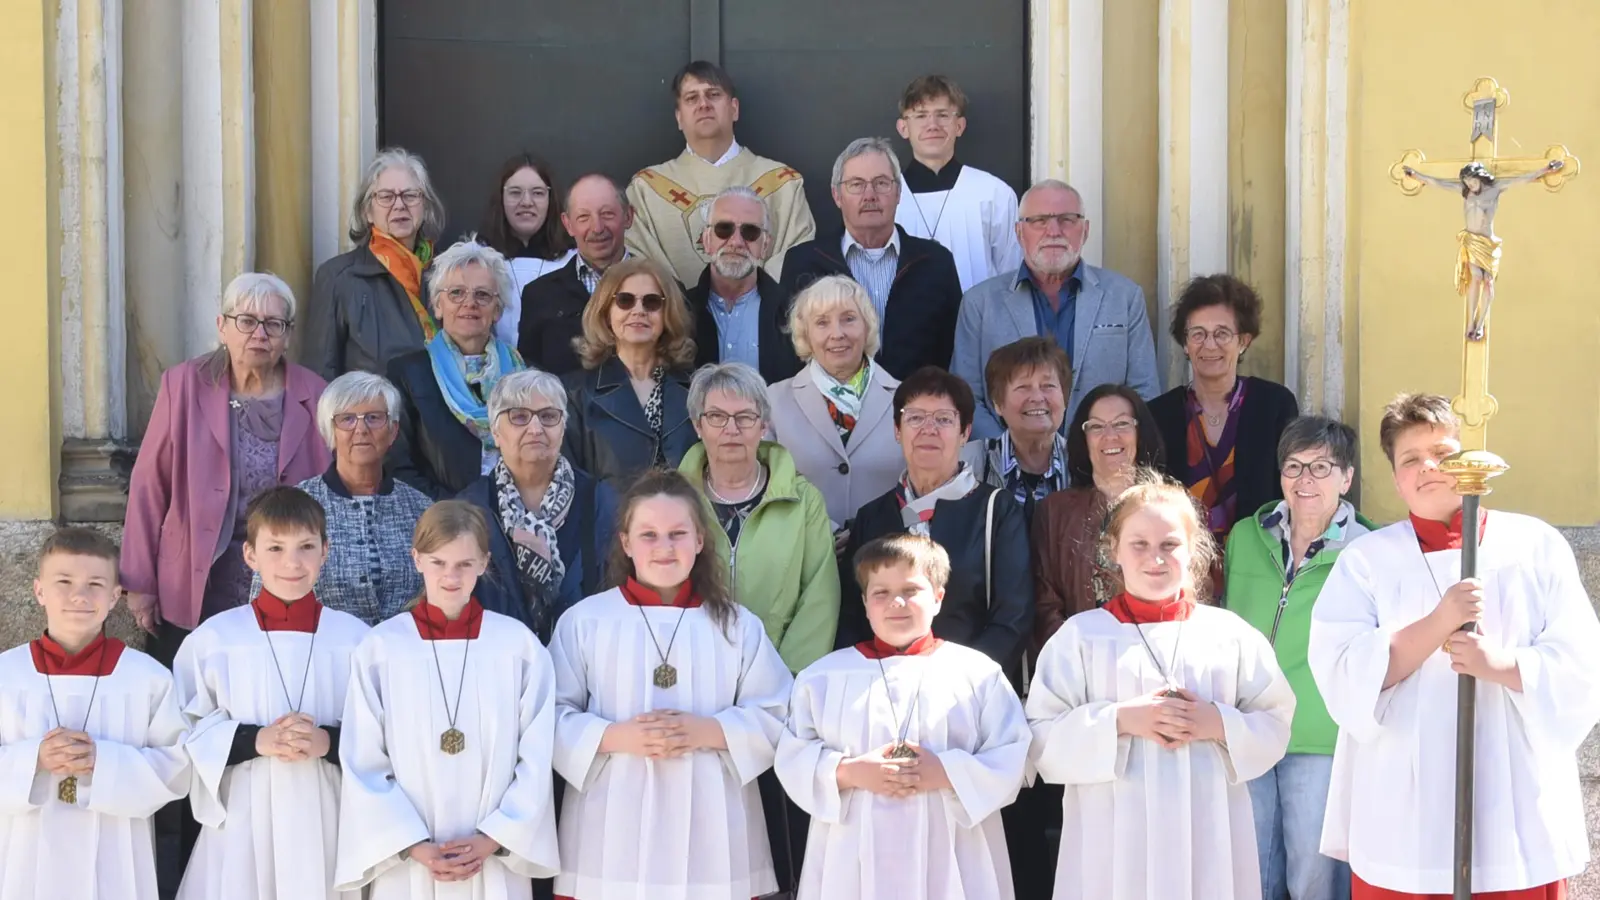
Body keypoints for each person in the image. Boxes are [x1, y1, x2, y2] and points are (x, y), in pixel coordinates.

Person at [1308, 393, 1600, 900]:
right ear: (1395, 477)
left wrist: (1505, 665)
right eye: (1410, 459)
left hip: (1511, 801)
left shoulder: (1534, 545)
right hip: (1404, 804)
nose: (1428, 468)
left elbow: (1582, 662)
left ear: (1471, 461)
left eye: (1443, 454)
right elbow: (1341, 670)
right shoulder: (1367, 560)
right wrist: (1439, 622)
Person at [1027, 475, 1295, 900]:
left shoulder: (1230, 635)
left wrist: (1217, 723)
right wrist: (1121, 720)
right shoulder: (1080, 638)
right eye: (1140, 544)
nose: (1156, 558)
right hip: (1114, 835)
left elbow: (1277, 722)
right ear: (1113, 550)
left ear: (1193, 551)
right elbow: (1039, 738)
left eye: (1170, 544)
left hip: (1207, 828)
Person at [548, 469, 793, 900]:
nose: (664, 548)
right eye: (649, 535)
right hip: (612, 822)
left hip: (714, 822)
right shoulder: (585, 622)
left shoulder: (736, 626)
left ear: (700, 540)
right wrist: (615, 736)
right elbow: (547, 716)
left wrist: (707, 731)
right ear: (625, 542)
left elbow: (779, 713)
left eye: (678, 533)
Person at [776, 533, 1030, 899]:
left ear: (939, 598)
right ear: (864, 603)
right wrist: (850, 771)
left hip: (952, 847)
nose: (896, 602)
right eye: (880, 593)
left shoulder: (977, 674)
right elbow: (793, 755)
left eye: (911, 590)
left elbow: (1012, 754)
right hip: (852, 851)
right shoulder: (823, 677)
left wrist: (944, 772)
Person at [336, 501, 561, 898]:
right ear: (416, 559)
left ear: (484, 562)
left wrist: (495, 836)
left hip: (492, 860)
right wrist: (411, 844)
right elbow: (362, 759)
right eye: (438, 562)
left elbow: (538, 754)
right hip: (411, 865)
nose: (451, 576)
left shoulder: (517, 646)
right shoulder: (382, 649)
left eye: (464, 564)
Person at [680, 362, 840, 895]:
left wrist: (782, 688)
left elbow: (819, 595)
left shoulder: (803, 500)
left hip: (780, 698)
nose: (732, 430)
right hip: (696, 695)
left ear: (764, 426)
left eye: (745, 417)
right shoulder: (671, 501)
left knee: (776, 837)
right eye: (718, 417)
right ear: (697, 425)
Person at [122, 272, 332, 666]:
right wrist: (139, 582)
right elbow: (149, 484)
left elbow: (329, 498)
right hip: (196, 575)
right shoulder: (182, 385)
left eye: (274, 324)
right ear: (222, 327)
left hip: (284, 575)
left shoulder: (316, 394)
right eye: (247, 321)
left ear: (288, 336)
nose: (260, 333)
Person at [174, 487, 370, 900]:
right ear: (250, 555)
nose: (292, 563)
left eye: (305, 547)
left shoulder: (358, 641)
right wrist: (253, 740)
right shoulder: (215, 640)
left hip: (328, 815)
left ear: (325, 551)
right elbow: (182, 734)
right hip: (244, 817)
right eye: (275, 548)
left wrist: (329, 742)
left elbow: (383, 736)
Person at [1224, 416, 1374, 900]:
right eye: (1293, 466)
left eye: (1321, 467)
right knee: (1251, 872)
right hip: (1246, 726)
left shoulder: (1369, 550)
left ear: (1347, 478)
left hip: (1319, 734)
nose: (1305, 480)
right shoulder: (1246, 536)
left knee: (1313, 877)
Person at [0, 528, 188, 900]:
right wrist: (33, 759)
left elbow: (177, 767)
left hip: (117, 850)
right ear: (39, 591)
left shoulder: (147, 677)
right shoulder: (6, 674)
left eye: (95, 584)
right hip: (24, 852)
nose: (79, 596)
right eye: (64, 581)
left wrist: (105, 762)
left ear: (115, 596)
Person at [835, 367, 1033, 680]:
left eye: (943, 419)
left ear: (965, 432)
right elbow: (852, 617)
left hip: (970, 691)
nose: (929, 429)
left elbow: (1013, 617)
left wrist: (959, 682)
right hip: (883, 688)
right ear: (897, 430)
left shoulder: (997, 509)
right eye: (915, 417)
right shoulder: (872, 516)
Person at [952, 179, 1161, 438]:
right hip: (1006, 471)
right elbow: (966, 397)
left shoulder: (1125, 297)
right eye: (1039, 220)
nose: (1053, 231)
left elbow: (1144, 392)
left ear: (1085, 230)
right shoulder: (979, 304)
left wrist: (1104, 448)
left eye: (1067, 219)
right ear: (1019, 233)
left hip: (1101, 462)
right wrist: (1011, 455)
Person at [779, 137, 964, 379]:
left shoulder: (936, 262)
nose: (870, 195)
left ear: (898, 192)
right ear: (836, 195)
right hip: (829, 410)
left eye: (881, 183)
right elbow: (791, 351)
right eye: (856, 184)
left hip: (915, 409)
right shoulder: (803, 262)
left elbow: (952, 352)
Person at [458, 369, 619, 641]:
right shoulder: (468, 509)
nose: (535, 429)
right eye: (519, 417)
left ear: (563, 427)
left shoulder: (601, 500)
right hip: (498, 664)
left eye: (548, 416)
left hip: (586, 661)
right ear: (495, 432)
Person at [626, 60, 815, 283]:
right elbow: (641, 268)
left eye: (713, 94)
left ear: (734, 109)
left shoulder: (782, 184)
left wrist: (758, 303)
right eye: (691, 98)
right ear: (679, 117)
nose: (703, 104)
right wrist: (683, 311)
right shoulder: (646, 190)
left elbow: (798, 258)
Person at [1149, 274, 1299, 540]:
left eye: (1222, 333)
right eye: (1198, 334)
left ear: (1243, 341)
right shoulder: (1160, 414)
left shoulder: (1274, 405)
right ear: (1185, 344)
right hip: (1181, 565)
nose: (1209, 345)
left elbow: (1291, 493)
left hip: (1258, 561)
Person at [277, 371, 431, 625]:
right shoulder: (295, 506)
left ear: (393, 432)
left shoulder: (422, 509)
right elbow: (268, 598)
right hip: (320, 655)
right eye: (347, 419)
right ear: (330, 432)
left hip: (404, 657)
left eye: (373, 418)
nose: (361, 429)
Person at [387, 240, 526, 500]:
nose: (469, 303)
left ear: (497, 310)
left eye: (482, 295)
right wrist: (458, 511)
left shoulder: (525, 377)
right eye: (456, 293)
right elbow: (399, 468)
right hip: (441, 520)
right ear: (438, 306)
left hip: (517, 518)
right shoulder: (407, 374)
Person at [768, 275, 905, 539]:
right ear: (805, 334)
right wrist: (824, 532)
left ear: (867, 327)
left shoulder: (906, 399)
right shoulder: (773, 401)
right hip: (806, 553)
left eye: (849, 319)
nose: (837, 333)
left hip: (887, 557)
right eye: (822, 322)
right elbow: (768, 486)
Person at [1032, 383, 1165, 647]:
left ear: (1140, 432)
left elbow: (1192, 592)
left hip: (1156, 657)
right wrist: (1078, 656)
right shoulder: (1054, 511)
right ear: (1084, 438)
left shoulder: (1170, 508)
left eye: (1122, 424)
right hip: (1077, 664)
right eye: (1096, 426)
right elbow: (1044, 603)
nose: (1110, 436)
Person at [304, 148, 449, 380]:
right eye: (386, 197)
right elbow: (319, 375)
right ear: (367, 212)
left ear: (425, 206)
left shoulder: (447, 274)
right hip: (374, 413)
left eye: (410, 195)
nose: (399, 205)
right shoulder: (338, 278)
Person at [561, 257, 698, 489]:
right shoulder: (573, 394)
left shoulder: (696, 389)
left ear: (667, 314)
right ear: (606, 313)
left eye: (652, 302)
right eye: (625, 301)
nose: (639, 311)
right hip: (608, 523)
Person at [893, 75, 1022, 292]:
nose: (932, 125)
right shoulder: (886, 197)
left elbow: (1012, 274)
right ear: (903, 128)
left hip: (979, 323)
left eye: (943, 115)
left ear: (959, 126)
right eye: (921, 115)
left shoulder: (993, 194)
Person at [518, 173, 634, 377]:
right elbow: (530, 379)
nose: (597, 228)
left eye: (607, 214)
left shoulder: (662, 289)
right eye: (583, 217)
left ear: (628, 216)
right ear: (568, 224)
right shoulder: (539, 296)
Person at [688, 186, 802, 383]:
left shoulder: (794, 314)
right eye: (724, 229)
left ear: (765, 245)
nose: (736, 242)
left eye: (750, 232)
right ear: (706, 240)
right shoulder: (680, 311)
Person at [960, 336, 1073, 529]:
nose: (1037, 397)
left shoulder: (1083, 464)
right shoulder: (967, 464)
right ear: (997, 404)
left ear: (1065, 398)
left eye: (1048, 386)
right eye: (1023, 387)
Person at [477, 152, 576, 346]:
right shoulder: (476, 256)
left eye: (537, 193)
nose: (526, 202)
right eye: (515, 192)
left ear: (551, 199)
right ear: (501, 198)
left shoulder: (574, 260)